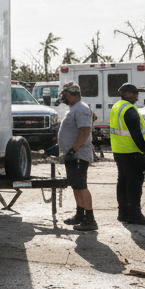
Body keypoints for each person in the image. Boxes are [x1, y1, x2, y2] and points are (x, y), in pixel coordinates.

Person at [110, 83, 145, 226]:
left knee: (122, 182)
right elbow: (136, 133)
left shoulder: (117, 106)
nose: (137, 96)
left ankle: (123, 213)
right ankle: (135, 215)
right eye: (135, 93)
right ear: (127, 94)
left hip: (119, 151)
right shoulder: (129, 109)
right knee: (134, 185)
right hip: (132, 152)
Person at [56, 82, 97, 231]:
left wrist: (73, 150)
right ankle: (80, 215)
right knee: (76, 186)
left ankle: (90, 220)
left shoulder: (81, 108)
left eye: (65, 95)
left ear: (71, 94)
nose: (64, 98)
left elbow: (85, 130)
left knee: (81, 186)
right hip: (73, 155)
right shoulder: (75, 109)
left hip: (78, 155)